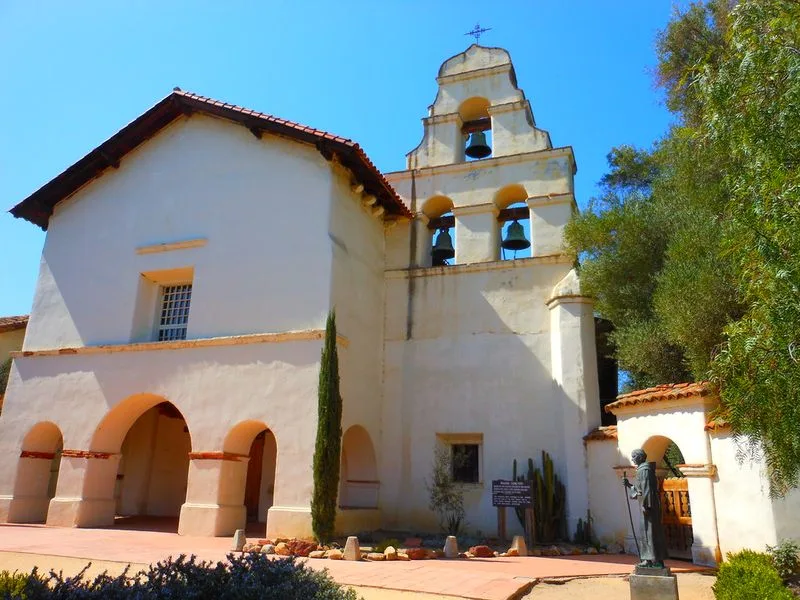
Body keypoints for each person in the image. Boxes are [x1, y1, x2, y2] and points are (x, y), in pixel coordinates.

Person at [623, 448, 668, 568]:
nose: (632, 459)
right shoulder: (642, 470)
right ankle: (648, 559)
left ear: (640, 457)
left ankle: (656, 560)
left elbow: (647, 489)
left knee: (651, 533)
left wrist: (646, 505)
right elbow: (640, 490)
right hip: (647, 504)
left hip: (649, 506)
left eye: (634, 457)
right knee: (646, 533)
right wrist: (629, 485)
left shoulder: (645, 471)